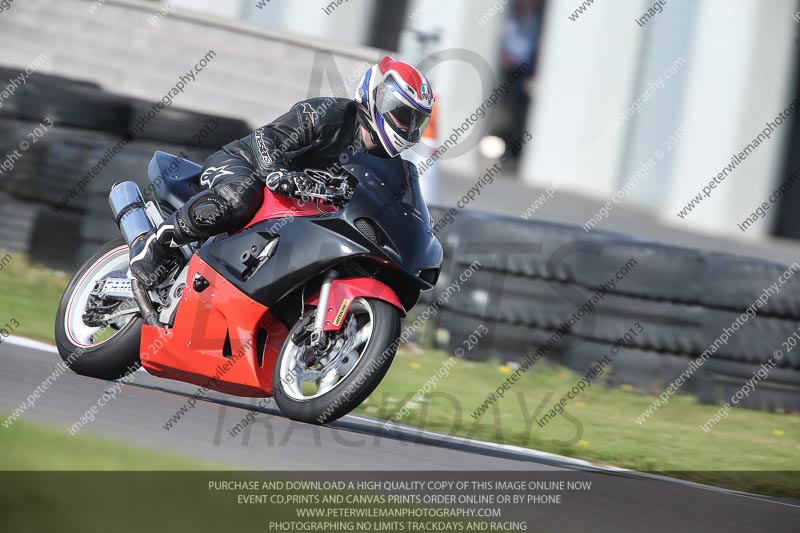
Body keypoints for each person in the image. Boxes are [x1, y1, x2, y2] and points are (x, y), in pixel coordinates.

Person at [130, 56, 434, 289]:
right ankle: (154, 246)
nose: (407, 127)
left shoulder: (385, 163)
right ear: (377, 96)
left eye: (415, 122)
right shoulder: (329, 114)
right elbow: (265, 139)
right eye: (402, 114)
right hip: (243, 164)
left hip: (294, 210)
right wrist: (276, 172)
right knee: (239, 197)